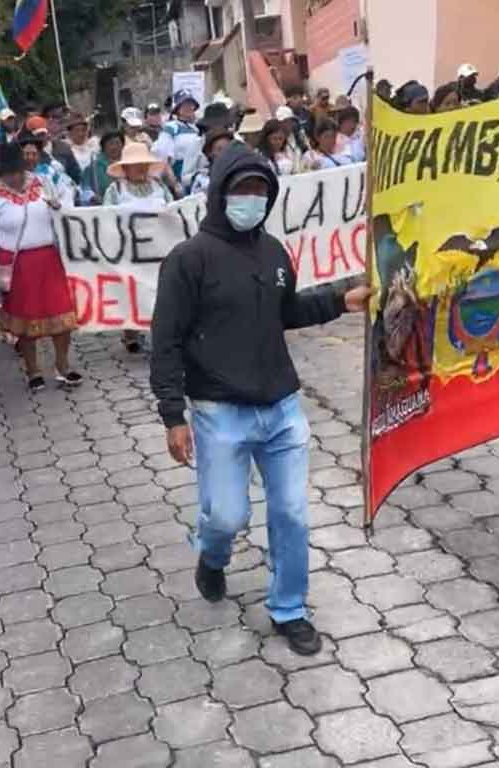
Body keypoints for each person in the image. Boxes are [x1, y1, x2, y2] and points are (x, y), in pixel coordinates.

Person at [149, 142, 371, 655]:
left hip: (281, 410)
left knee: (291, 512)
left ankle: (289, 608)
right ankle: (211, 553)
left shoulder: (273, 251)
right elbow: (166, 340)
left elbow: (286, 311)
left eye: (260, 189)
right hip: (218, 412)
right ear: (220, 191)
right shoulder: (188, 259)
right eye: (241, 188)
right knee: (227, 516)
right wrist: (172, 414)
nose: (251, 198)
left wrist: (341, 299)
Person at [0, 143, 81, 393]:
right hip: (17, 266)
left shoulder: (45, 184)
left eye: (17, 170)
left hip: (49, 259)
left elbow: (69, 207)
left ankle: (62, 364)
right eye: (7, 172)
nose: (13, 176)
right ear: (0, 172)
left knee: (62, 314)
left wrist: (60, 208)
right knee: (26, 321)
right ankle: (33, 369)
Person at [103, 141, 172, 355]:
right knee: (130, 292)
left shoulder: (159, 187)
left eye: (143, 163)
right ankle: (131, 334)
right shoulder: (115, 190)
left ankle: (162, 332)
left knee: (160, 292)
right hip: (130, 252)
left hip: (159, 250)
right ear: (125, 168)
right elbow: (106, 217)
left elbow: (173, 210)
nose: (140, 168)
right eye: (135, 164)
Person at [154, 89, 203, 196]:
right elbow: (164, 158)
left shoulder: (196, 129)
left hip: (194, 177)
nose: (189, 108)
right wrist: (175, 184)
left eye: (191, 104)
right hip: (178, 176)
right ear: (177, 108)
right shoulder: (170, 128)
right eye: (185, 105)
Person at [21, 132, 76, 208]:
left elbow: (67, 192)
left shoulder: (50, 172)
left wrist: (60, 204)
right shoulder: (15, 175)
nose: (30, 158)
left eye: (34, 154)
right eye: (26, 154)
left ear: (39, 155)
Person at [82, 130, 124, 205]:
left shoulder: (129, 164)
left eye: (117, 143)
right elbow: (85, 188)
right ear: (103, 147)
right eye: (111, 143)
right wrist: (92, 197)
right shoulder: (94, 166)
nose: (114, 147)